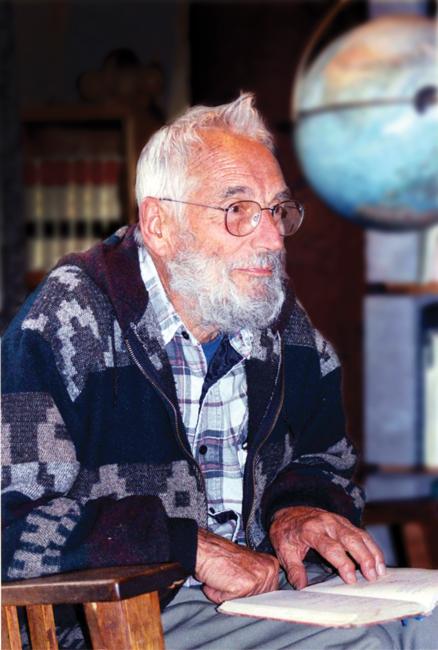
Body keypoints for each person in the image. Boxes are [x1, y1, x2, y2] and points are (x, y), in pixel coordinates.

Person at [2, 94, 436, 649]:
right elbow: (11, 522)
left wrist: (299, 508)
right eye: (238, 211)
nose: (273, 239)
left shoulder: (276, 317)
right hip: (123, 611)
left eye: (277, 210)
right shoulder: (71, 318)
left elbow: (327, 460)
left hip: (269, 591)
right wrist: (186, 546)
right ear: (160, 223)